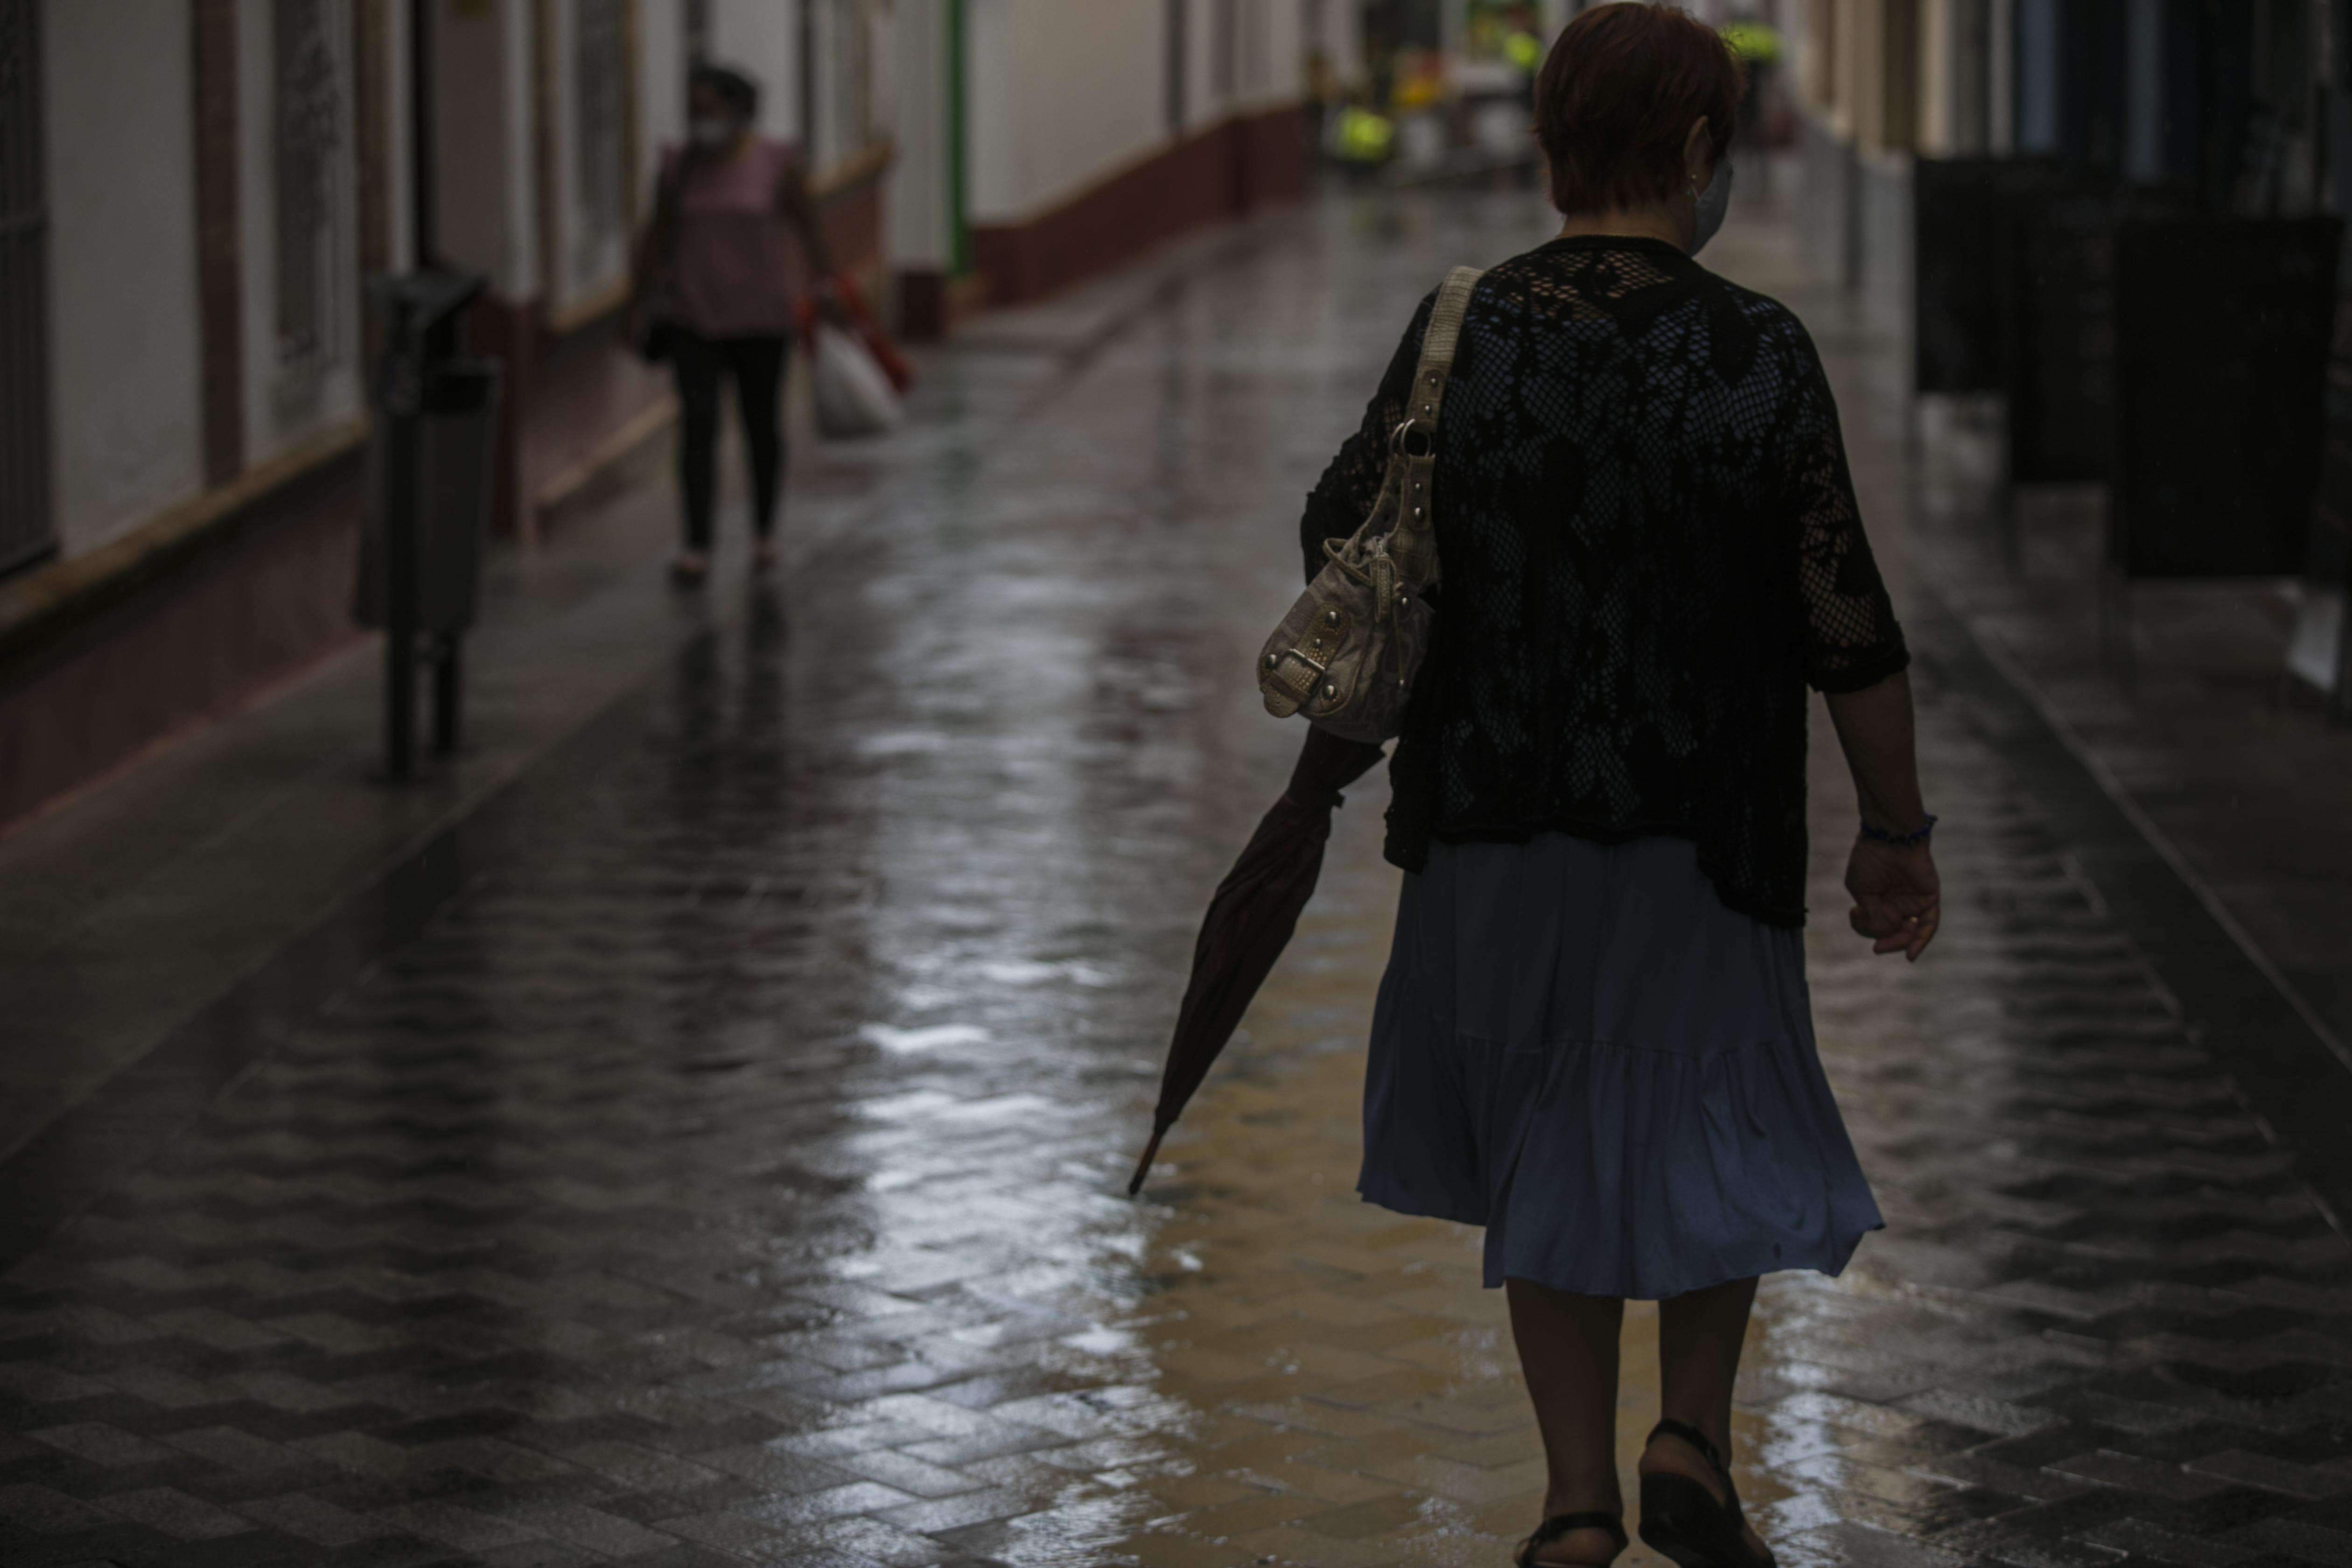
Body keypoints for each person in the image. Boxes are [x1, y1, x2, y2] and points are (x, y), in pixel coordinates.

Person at [1297, 7, 1940, 1566]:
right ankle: (1692, 1442)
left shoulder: (1465, 331)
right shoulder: (1758, 353)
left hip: (1495, 825)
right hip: (1704, 827)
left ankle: (1576, 1500)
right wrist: (1895, 832)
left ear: (1549, 148)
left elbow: (1339, 528)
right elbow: (1844, 616)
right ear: (1704, 151)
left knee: (1548, 1127)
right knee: (1708, 1109)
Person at [628, 64, 837, 586]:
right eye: (694, 112)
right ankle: (697, 543)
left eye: (710, 111)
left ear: (741, 112)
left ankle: (765, 531)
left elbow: (810, 226)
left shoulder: (775, 163)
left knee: (760, 425)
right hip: (694, 317)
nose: (701, 122)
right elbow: (658, 233)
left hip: (762, 317)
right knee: (697, 428)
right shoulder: (678, 167)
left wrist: (827, 285)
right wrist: (636, 302)